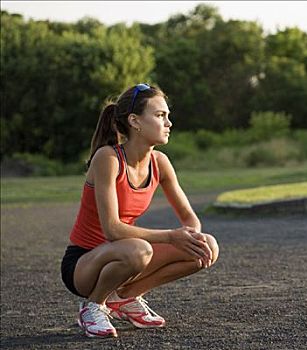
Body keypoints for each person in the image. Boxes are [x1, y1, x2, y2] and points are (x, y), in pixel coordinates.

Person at [60, 83, 219, 338]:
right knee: (139, 249)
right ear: (135, 121)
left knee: (206, 246)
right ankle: (93, 306)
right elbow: (112, 230)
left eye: (167, 115)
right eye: (159, 115)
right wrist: (170, 236)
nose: (169, 123)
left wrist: (192, 236)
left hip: (128, 254)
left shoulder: (160, 162)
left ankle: (125, 297)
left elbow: (190, 219)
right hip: (84, 265)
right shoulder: (108, 158)